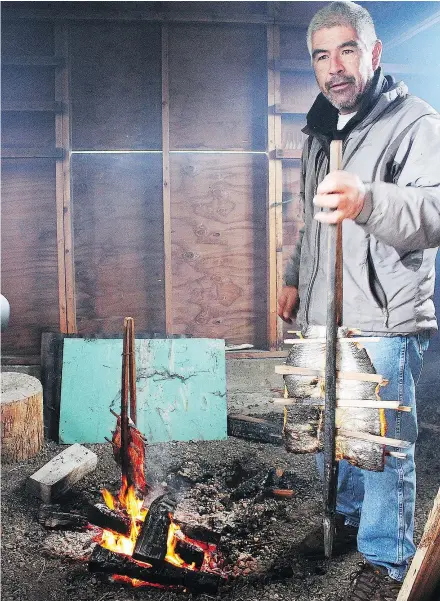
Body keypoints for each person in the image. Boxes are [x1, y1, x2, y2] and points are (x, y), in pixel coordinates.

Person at [277, 2, 440, 599]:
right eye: (322, 55)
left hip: (384, 316)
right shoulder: (318, 131)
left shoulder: (414, 123)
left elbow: (434, 212)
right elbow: (309, 218)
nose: (334, 67)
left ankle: (383, 558)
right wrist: (296, 275)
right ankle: (343, 522)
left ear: (374, 54)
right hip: (324, 311)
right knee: (333, 434)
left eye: (347, 50)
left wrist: (368, 199)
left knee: (381, 445)